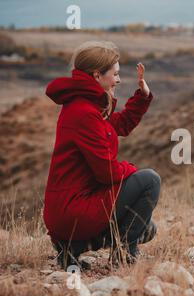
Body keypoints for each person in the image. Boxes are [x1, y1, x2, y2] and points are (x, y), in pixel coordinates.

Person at [44, 41, 161, 268]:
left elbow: (121, 125)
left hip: (71, 210)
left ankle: (73, 248)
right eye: (115, 74)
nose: (118, 80)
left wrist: (143, 95)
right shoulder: (84, 113)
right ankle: (124, 255)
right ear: (97, 75)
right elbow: (107, 173)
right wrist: (132, 173)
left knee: (147, 229)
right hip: (73, 211)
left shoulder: (85, 106)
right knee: (149, 180)